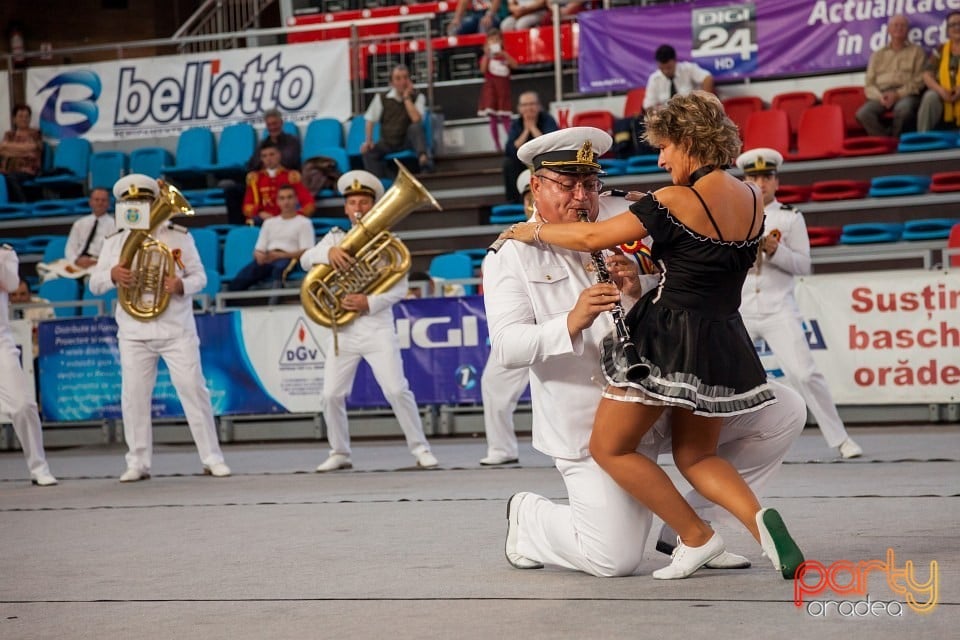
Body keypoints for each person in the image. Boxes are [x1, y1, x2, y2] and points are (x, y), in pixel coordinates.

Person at [496, 101, 804, 581]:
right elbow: (507, 349)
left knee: (783, 411)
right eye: (568, 184)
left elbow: (592, 237)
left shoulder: (657, 202)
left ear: (687, 142)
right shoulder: (750, 196)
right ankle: (529, 519)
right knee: (615, 557)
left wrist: (539, 231)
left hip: (663, 359)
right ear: (535, 185)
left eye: (589, 183)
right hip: (707, 348)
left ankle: (695, 532)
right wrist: (572, 320)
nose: (583, 194)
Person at [88, 174, 231, 482]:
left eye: (143, 202)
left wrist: (181, 285)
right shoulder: (114, 241)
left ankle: (212, 457)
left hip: (175, 329)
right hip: (133, 332)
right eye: (130, 202)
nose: (136, 206)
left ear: (153, 203)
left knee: (194, 390)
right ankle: (137, 462)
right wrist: (112, 274)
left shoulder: (179, 236)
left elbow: (201, 277)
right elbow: (94, 284)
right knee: (134, 396)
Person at [300, 170, 439, 471]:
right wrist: (328, 252)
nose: (358, 208)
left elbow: (400, 289)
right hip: (343, 332)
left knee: (395, 390)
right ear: (345, 208)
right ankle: (340, 452)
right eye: (352, 203)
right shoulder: (336, 237)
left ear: (374, 206)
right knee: (330, 395)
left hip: (377, 328)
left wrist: (368, 302)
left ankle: (420, 449)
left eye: (363, 202)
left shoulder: (388, 241)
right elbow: (304, 259)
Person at [735, 148, 863, 459]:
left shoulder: (790, 217)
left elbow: (804, 266)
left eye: (766, 177)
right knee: (727, 375)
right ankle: (729, 443)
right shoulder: (735, 215)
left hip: (779, 306)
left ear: (776, 181)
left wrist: (776, 251)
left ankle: (840, 438)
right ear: (745, 180)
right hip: (740, 309)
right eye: (753, 177)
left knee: (804, 373)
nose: (760, 183)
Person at [479, 169, 534, 466]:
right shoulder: (512, 238)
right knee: (492, 381)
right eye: (527, 198)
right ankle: (501, 448)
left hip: (565, 323)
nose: (531, 203)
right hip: (522, 326)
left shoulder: (570, 229)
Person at [0, 245, 58, 486]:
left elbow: (12, 285)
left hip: (1, 343)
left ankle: (38, 466)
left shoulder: (5, 254)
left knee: (23, 404)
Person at [228, 184, 315, 292]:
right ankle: (229, 299)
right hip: (268, 257)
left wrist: (281, 255)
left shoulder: (304, 222)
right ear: (277, 201)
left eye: (289, 197)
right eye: (282, 198)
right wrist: (259, 255)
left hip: (289, 258)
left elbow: (307, 250)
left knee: (279, 269)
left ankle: (274, 303)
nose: (286, 202)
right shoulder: (269, 223)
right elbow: (259, 249)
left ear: (296, 200)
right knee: (245, 275)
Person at [225, 109, 304, 225]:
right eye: (269, 125)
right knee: (232, 189)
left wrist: (267, 162)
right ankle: (238, 228)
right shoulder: (263, 143)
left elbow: (289, 161)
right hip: (261, 179)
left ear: (281, 123)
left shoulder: (292, 141)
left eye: (275, 124)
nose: (272, 127)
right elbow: (253, 164)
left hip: (284, 180)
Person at [855, 14, 926, 137]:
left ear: (907, 30)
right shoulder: (877, 55)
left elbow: (919, 81)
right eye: (895, 25)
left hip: (906, 94)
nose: (899, 28)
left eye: (902, 26)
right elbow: (869, 84)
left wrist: (897, 95)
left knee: (904, 110)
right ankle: (886, 140)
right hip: (881, 95)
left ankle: (895, 140)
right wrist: (880, 96)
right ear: (888, 29)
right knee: (863, 114)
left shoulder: (917, 52)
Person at [361, 65, 432, 177]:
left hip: (407, 141)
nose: (402, 82)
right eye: (398, 78)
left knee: (416, 127)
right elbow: (370, 120)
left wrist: (406, 98)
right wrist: (368, 140)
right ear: (392, 83)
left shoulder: (418, 97)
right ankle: (379, 181)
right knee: (368, 152)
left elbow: (416, 119)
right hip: (388, 141)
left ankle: (424, 161)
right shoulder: (382, 98)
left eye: (405, 78)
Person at [37, 188, 116, 282]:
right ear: (90, 202)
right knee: (50, 277)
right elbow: (70, 248)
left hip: (98, 264)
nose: (100, 203)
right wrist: (76, 260)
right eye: (96, 200)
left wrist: (96, 261)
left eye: (103, 200)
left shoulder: (114, 225)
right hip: (78, 262)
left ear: (108, 203)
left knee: (90, 280)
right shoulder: (79, 223)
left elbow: (114, 251)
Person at [503, 91, 558, 204]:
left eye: (532, 104)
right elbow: (509, 149)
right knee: (508, 163)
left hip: (544, 160)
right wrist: (526, 130)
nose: (529, 108)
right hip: (523, 162)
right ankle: (515, 202)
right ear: (519, 108)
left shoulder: (547, 119)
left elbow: (552, 143)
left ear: (539, 106)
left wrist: (533, 128)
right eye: (525, 105)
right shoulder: (517, 123)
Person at [242, 141, 316, 224]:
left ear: (279, 155)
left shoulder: (291, 176)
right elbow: (247, 207)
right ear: (261, 159)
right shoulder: (255, 179)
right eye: (264, 156)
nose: (268, 158)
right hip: (263, 221)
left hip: (288, 221)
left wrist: (293, 215)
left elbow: (308, 204)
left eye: (272, 154)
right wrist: (260, 213)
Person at [918, 11, 960, 132]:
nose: (957, 27)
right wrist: (940, 90)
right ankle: (923, 139)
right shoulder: (940, 49)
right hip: (944, 93)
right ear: (947, 30)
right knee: (930, 96)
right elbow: (926, 74)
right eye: (953, 25)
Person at [477, 28, 517, 152]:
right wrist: (487, 55)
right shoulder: (486, 57)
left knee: (506, 118)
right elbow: (483, 70)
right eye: (491, 40)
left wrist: (504, 54)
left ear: (501, 41)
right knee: (493, 118)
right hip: (491, 91)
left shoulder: (505, 55)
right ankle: (497, 144)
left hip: (503, 91)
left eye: (496, 40)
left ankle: (511, 142)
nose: (494, 42)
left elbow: (515, 65)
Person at [642, 45, 714, 111]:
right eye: (662, 68)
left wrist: (703, 103)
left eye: (669, 68)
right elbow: (648, 106)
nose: (666, 71)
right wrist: (659, 110)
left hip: (691, 114)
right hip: (667, 118)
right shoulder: (654, 79)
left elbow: (707, 78)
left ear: (675, 61)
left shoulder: (688, 69)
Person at [0, 103, 42, 202]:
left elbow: (32, 147)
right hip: (7, 169)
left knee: (11, 177)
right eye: (20, 116)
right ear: (14, 119)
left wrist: (9, 148)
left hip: (28, 170)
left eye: (27, 116)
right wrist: (24, 152)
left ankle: (22, 205)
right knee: (6, 176)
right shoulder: (9, 134)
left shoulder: (35, 133)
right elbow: (2, 149)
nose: (24, 119)